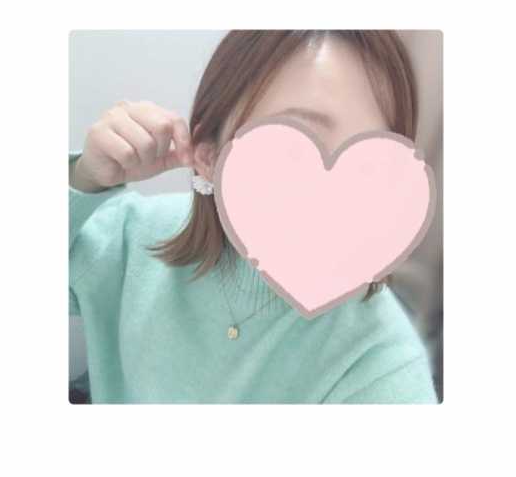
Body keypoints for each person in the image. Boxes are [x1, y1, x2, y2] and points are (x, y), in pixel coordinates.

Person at [69, 30, 438, 403]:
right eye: (297, 142)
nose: (338, 193)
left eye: (370, 163)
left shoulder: (380, 360)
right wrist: (84, 179)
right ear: (209, 156)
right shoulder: (133, 237)